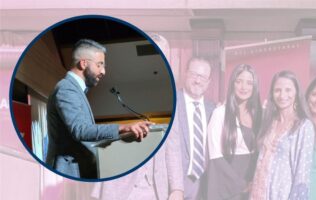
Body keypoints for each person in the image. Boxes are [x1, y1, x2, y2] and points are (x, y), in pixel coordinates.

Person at [91, 33, 184, 200]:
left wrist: (177, 188)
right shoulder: (116, 88)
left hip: (155, 188)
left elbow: (173, 144)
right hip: (120, 185)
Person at [45, 39, 153, 179]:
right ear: (83, 63)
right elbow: (81, 130)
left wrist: (126, 135)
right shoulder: (67, 88)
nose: (103, 71)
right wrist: (123, 128)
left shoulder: (75, 90)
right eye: (99, 65)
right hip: (68, 172)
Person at [250, 70, 314, 200]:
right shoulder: (269, 122)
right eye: (277, 90)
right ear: (272, 94)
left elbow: (302, 174)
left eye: (288, 90)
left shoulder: (303, 126)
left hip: (283, 194)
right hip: (259, 192)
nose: (282, 95)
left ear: (296, 93)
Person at [207, 64, 262, 200]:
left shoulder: (260, 114)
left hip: (254, 184)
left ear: (254, 87)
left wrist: (254, 183)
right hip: (227, 185)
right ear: (232, 84)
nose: (244, 87)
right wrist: (241, 185)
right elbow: (215, 157)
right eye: (239, 81)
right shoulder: (220, 113)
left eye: (249, 83)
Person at [175, 57, 215, 200]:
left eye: (203, 77)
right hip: (175, 186)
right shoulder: (171, 103)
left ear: (209, 82)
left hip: (204, 187)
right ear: (185, 74)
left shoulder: (214, 110)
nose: (198, 81)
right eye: (194, 74)